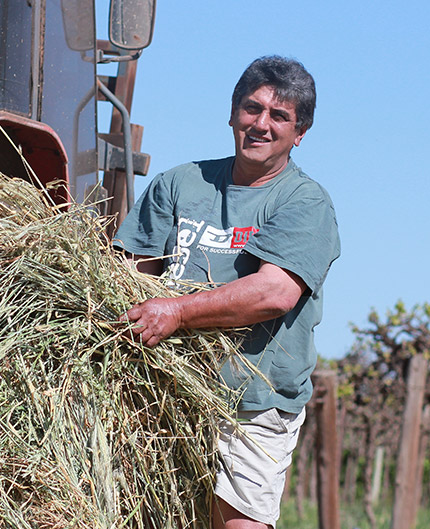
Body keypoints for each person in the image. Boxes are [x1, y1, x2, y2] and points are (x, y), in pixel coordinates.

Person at [113, 55, 340, 529]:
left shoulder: (304, 202)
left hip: (251, 408)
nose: (261, 124)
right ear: (233, 113)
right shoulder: (181, 184)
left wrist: (176, 312)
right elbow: (129, 276)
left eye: (279, 116)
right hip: (160, 395)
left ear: (299, 134)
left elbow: (273, 292)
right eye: (252, 109)